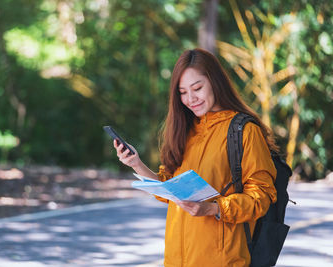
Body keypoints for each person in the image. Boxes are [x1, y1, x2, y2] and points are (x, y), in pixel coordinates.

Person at [113, 48, 277, 267]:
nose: (190, 99)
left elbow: (262, 197)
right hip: (176, 260)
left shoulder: (244, 131)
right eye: (182, 92)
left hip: (222, 260)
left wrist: (213, 208)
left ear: (215, 82)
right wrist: (136, 163)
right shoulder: (186, 131)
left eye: (197, 88)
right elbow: (170, 191)